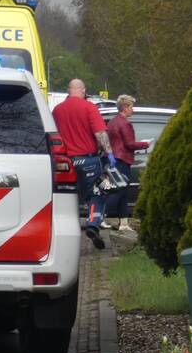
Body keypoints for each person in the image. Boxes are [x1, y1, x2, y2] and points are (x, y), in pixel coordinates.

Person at [51, 78, 115, 249]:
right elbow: (100, 133)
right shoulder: (89, 107)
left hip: (65, 162)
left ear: (68, 90)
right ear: (83, 90)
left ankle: (63, 230)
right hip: (88, 160)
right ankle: (93, 224)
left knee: (67, 195)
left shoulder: (57, 110)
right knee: (97, 194)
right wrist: (109, 153)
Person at [105, 95, 149, 231]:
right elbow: (129, 144)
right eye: (131, 107)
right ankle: (100, 216)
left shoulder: (112, 122)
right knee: (118, 191)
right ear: (125, 107)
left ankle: (123, 223)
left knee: (122, 191)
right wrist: (145, 144)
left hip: (114, 159)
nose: (132, 110)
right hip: (122, 160)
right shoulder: (125, 124)